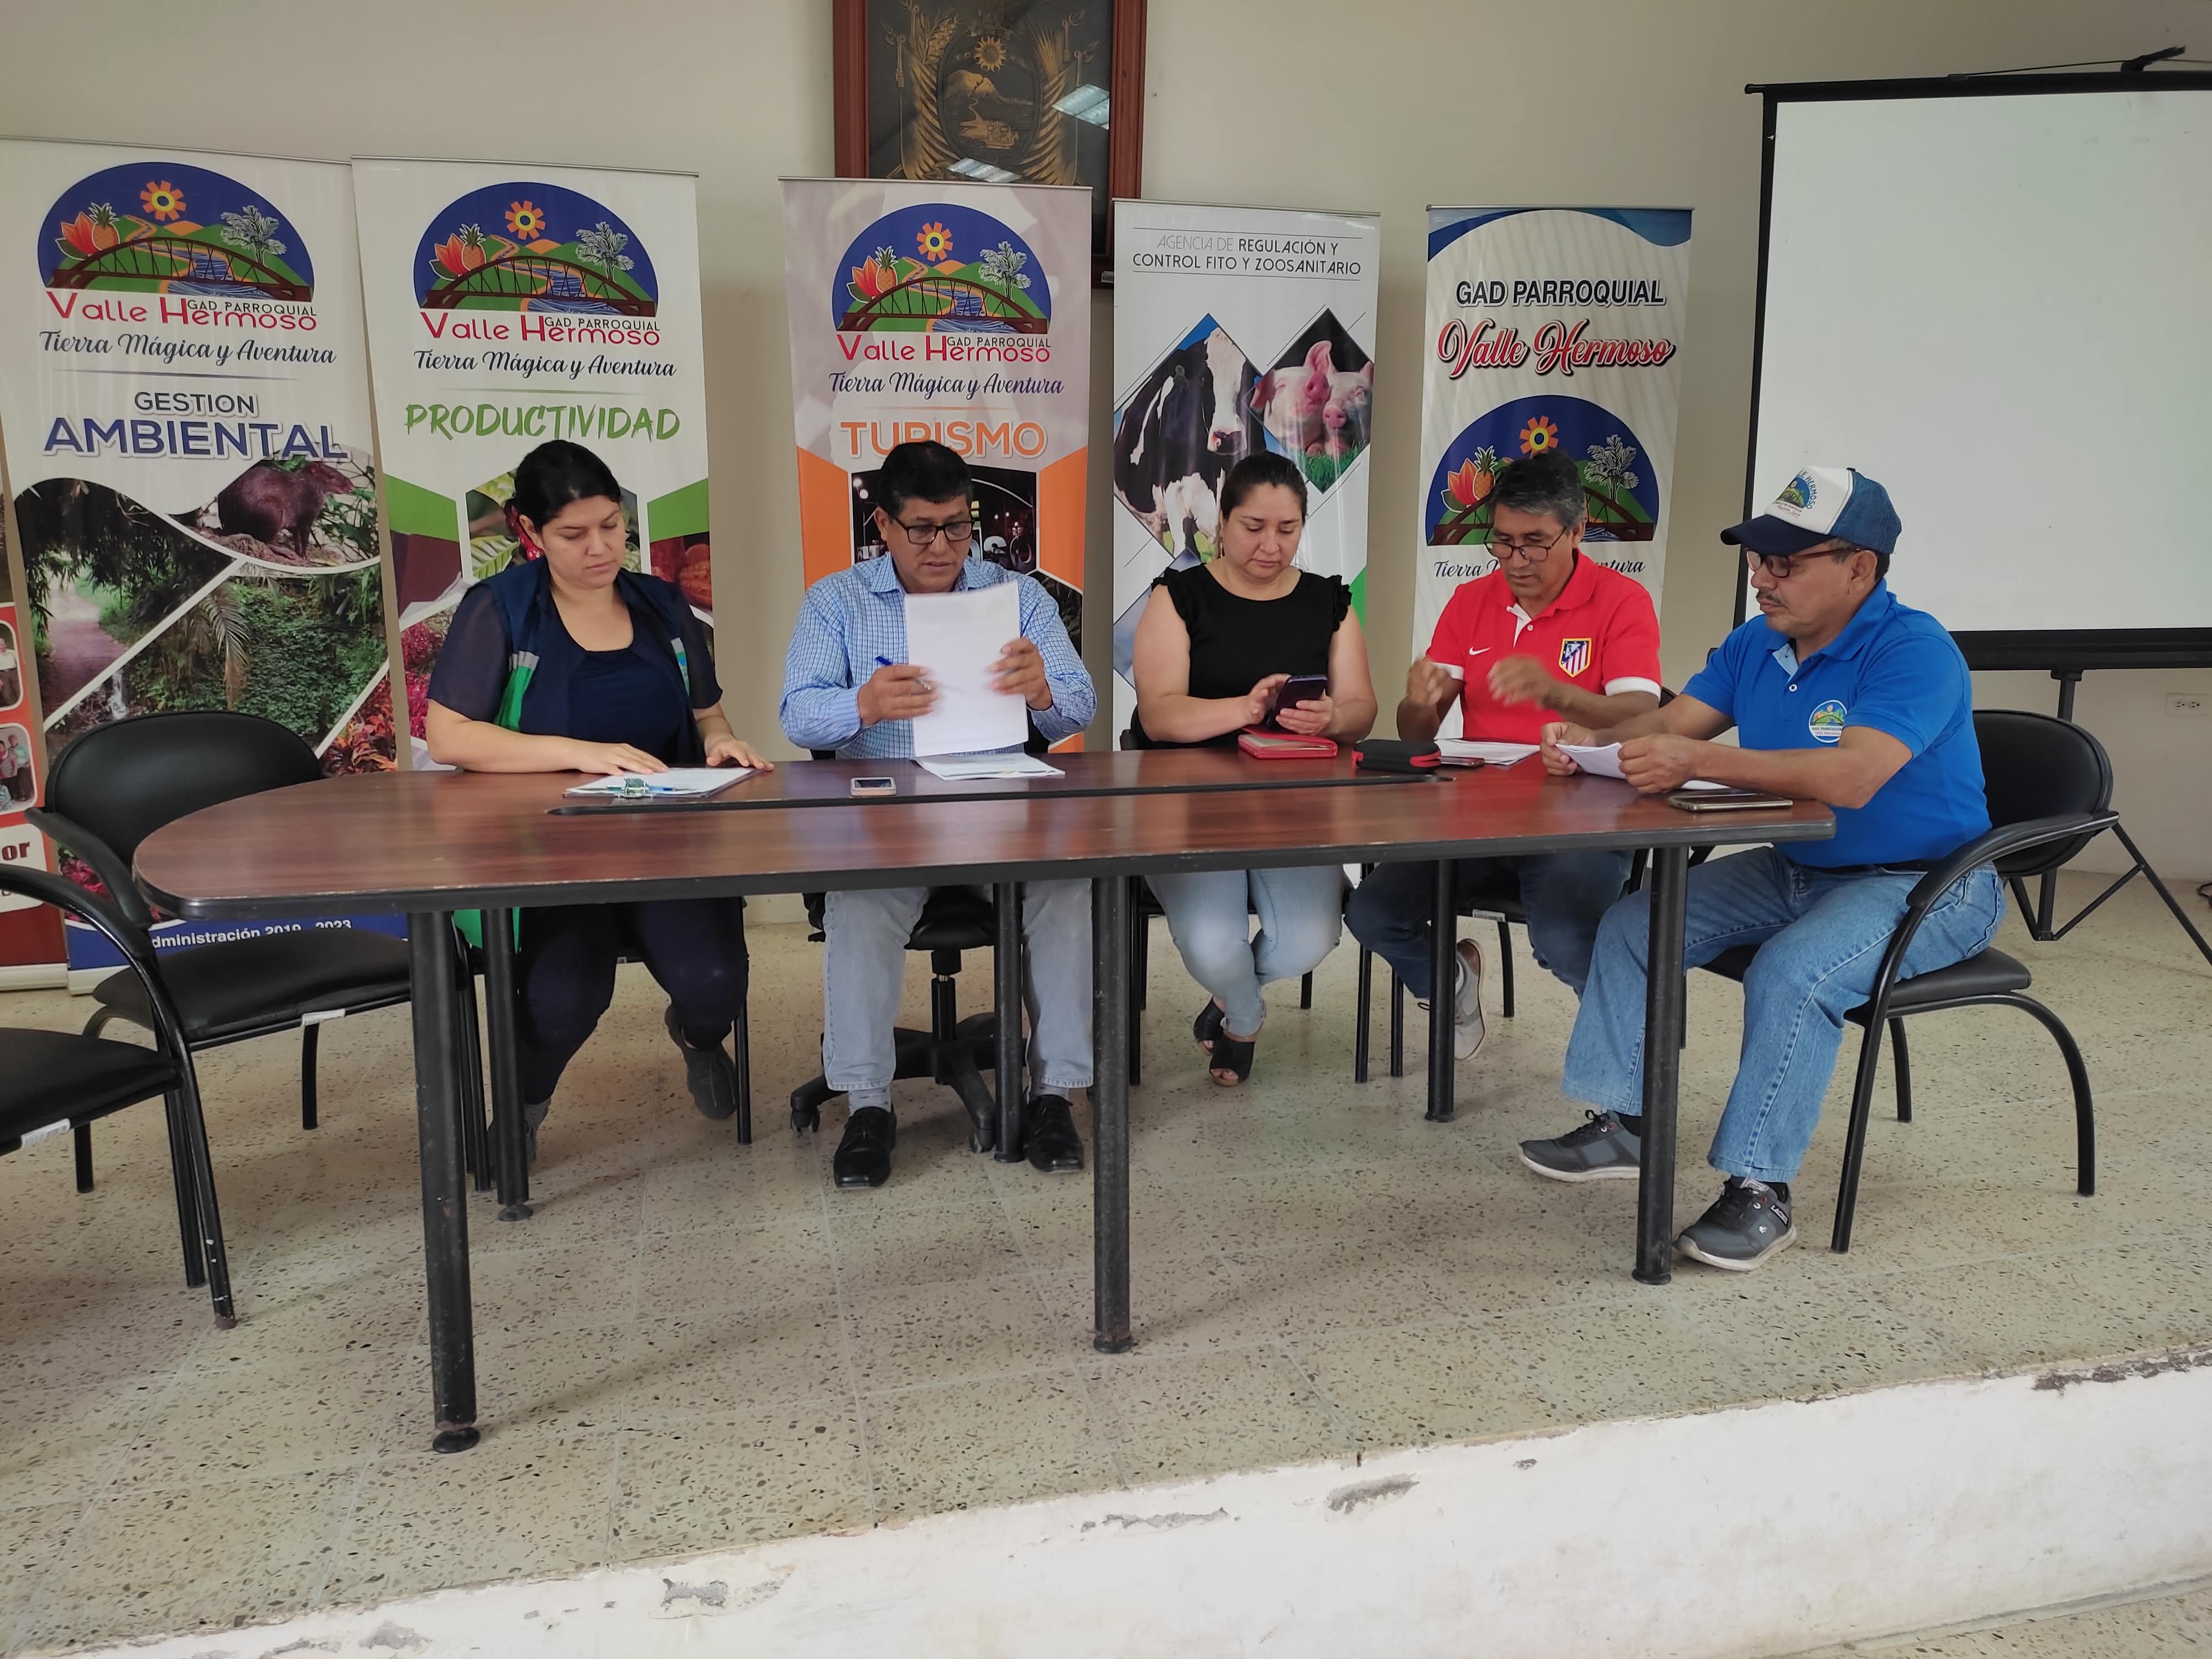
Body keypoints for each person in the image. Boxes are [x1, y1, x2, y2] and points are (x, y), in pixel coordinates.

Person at [1519, 467, 2004, 1271]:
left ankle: (1760, 1190)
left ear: (1860, 567)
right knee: (1636, 923)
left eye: (1786, 563)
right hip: (1800, 865)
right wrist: (1592, 745)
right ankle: (1627, 1126)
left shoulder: (1913, 650)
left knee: (1792, 972)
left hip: (1928, 883)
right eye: (1757, 559)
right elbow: (1675, 723)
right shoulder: (1756, 643)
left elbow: (1853, 776)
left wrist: (1698, 759)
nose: (1762, 578)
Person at [424, 440, 771, 1160]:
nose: (600, 548)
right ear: (530, 531)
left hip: (666, 844)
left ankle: (697, 1036)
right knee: (565, 1001)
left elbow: (707, 711)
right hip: (552, 853)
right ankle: (524, 1105)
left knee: (715, 984)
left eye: (611, 526)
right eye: (574, 534)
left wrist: (720, 743)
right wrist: (579, 753)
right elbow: (450, 736)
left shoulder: (661, 604)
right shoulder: (502, 608)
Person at [780, 440, 1095, 1188]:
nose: (943, 547)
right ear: (883, 525)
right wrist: (861, 705)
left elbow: (1080, 704)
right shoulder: (836, 601)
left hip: (999, 808)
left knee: (1065, 887)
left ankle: (1054, 1094)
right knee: (861, 903)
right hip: (885, 819)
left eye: (957, 526)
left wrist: (1043, 692)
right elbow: (797, 714)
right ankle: (868, 1104)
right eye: (921, 529)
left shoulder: (1017, 597)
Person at [1345, 448, 1662, 1061]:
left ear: (1577, 530)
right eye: (1503, 541)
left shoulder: (1622, 601)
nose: (1516, 561)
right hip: (1477, 819)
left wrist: (1558, 695)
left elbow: (1642, 712)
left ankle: (1631, 1068)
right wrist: (1419, 704)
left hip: (1580, 823)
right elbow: (1415, 734)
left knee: (1566, 940)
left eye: (1535, 543)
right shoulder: (1472, 600)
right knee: (1372, 911)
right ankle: (1452, 982)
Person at [1128, 451, 1376, 1085]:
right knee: (1213, 943)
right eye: (1253, 527)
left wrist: (1332, 719)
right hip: (1187, 804)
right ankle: (1242, 1017)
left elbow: (1361, 710)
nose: (1272, 545)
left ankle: (1229, 997)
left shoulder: (1328, 601)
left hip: (1292, 804)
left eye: (1287, 529)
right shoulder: (1177, 596)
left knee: (1309, 940)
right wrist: (1245, 708)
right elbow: (1159, 716)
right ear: (1222, 520)